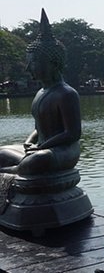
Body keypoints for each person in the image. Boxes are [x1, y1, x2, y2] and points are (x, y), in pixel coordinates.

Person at [0, 10, 81, 176]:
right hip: (42, 146)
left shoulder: (66, 94)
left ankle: (15, 170)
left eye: (34, 62)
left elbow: (72, 133)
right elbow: (39, 128)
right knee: (2, 153)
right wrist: (29, 142)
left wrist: (42, 147)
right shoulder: (40, 93)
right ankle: (20, 168)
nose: (29, 68)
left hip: (62, 151)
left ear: (54, 63)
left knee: (38, 160)